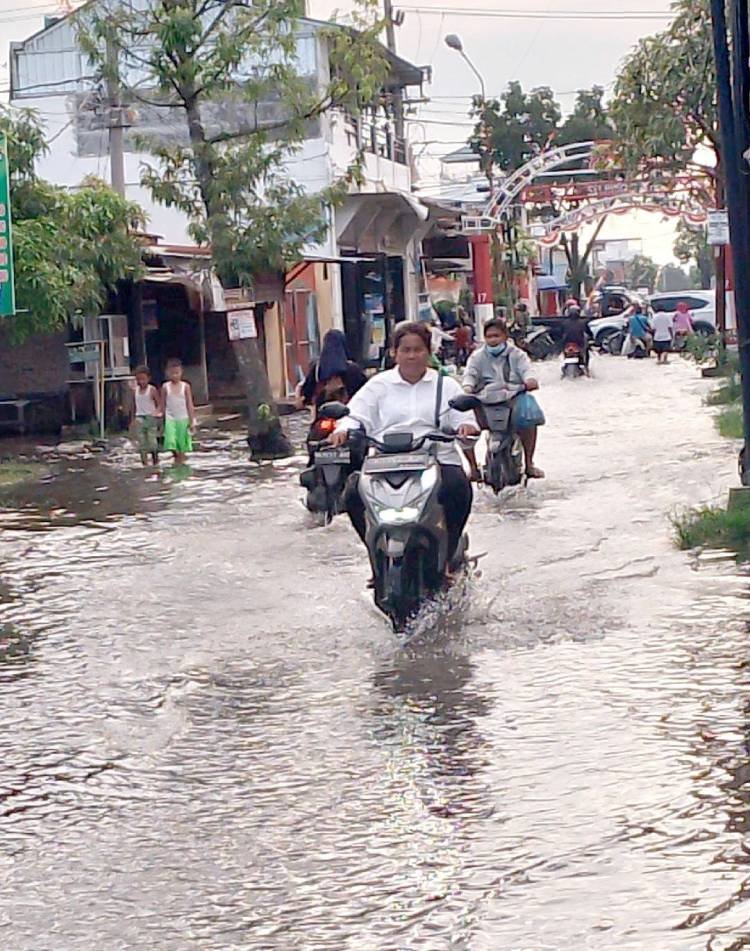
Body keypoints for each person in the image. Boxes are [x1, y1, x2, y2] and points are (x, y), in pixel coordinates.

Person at [328, 321, 480, 566]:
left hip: (437, 460)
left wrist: (466, 428)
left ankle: (448, 558)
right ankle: (376, 559)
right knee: (354, 492)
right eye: (405, 350)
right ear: (393, 353)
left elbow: (464, 419)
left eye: (418, 349)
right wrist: (343, 430)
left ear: (428, 353)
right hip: (385, 463)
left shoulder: (446, 385)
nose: (411, 356)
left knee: (458, 488)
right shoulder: (378, 385)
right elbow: (355, 415)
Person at [463, 318, 544, 480]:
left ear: (505, 336)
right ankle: (473, 468)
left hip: (512, 399)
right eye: (489, 336)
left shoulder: (518, 355)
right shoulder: (477, 357)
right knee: (463, 428)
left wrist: (530, 381)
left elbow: (528, 371)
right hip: (484, 402)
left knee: (529, 421)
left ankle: (529, 464)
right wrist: (467, 388)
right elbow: (470, 375)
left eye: (496, 336)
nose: (492, 340)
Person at [297, 329, 367, 417]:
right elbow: (365, 390)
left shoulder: (317, 368)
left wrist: (304, 400)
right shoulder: (353, 369)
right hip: (349, 413)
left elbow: (307, 391)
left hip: (322, 414)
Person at [160, 359, 196, 465]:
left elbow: (190, 404)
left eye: (177, 373)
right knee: (170, 441)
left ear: (181, 372)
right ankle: (176, 456)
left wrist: (192, 421)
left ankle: (181, 461)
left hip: (183, 418)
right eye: (172, 373)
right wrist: (160, 418)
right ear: (167, 373)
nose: (175, 376)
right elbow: (162, 404)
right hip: (170, 417)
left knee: (182, 443)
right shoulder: (165, 387)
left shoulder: (186, 386)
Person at [130, 365, 161, 467]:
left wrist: (157, 413)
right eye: (139, 379)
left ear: (148, 378)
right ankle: (144, 463)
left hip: (150, 417)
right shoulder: (135, 391)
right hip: (139, 417)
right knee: (142, 443)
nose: (141, 382)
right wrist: (132, 419)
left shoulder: (152, 390)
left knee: (152, 442)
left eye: (143, 379)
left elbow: (159, 403)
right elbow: (134, 405)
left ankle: (155, 461)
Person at [562, 305, 591, 373]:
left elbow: (561, 334)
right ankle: (586, 367)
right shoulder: (583, 323)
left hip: (567, 345)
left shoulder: (564, 323)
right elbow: (589, 333)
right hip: (579, 345)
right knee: (586, 352)